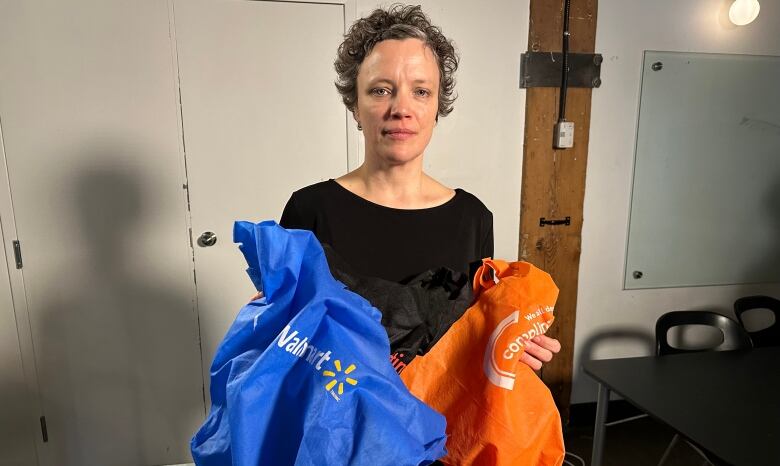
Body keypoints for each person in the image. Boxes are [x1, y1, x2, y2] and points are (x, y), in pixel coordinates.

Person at [263, 4, 559, 370]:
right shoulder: (309, 210)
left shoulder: (472, 218)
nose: (401, 108)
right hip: (335, 420)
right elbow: (286, 341)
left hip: (437, 421)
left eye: (420, 92)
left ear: (437, 107)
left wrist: (511, 342)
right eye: (381, 90)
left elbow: (467, 338)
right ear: (355, 105)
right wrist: (270, 319)